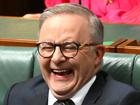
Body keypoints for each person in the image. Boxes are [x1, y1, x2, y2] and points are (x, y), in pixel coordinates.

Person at [4, 3, 140, 105]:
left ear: (97, 55)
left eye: (69, 47)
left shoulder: (123, 101)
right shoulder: (17, 96)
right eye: (47, 47)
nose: (56, 58)